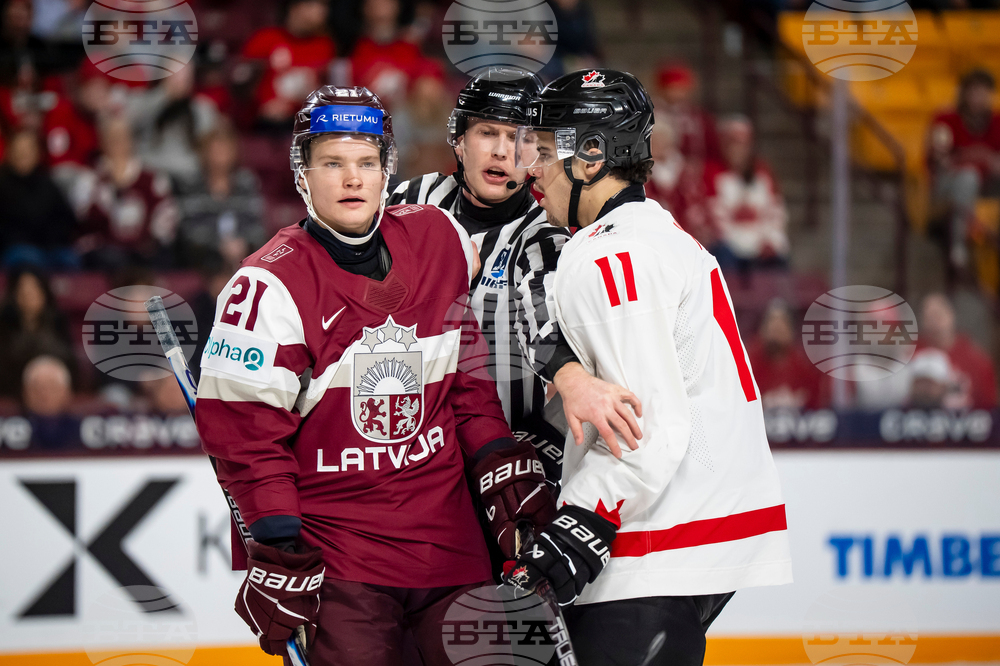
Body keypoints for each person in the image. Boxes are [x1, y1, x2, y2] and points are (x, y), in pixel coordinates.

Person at [194, 85, 554, 665]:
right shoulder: (266, 286)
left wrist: (496, 456)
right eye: (332, 163)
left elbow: (466, 378)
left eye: (366, 162)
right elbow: (249, 442)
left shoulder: (440, 240)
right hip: (343, 561)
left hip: (452, 548)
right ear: (302, 176)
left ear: (388, 170)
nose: (352, 179)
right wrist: (278, 542)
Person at [505, 69, 793, 666]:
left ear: (590, 155)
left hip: (656, 540)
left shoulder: (607, 252)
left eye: (542, 147)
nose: (530, 168)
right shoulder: (655, 233)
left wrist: (585, 517)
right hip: (693, 526)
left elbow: (648, 420)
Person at [387, 67, 645, 488]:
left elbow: (540, 317)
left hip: (496, 452)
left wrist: (570, 377)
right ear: (459, 140)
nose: (502, 152)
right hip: (398, 445)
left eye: (521, 138)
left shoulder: (544, 233)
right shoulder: (407, 201)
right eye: (488, 133)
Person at [928, 69, 1000, 271]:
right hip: (948, 183)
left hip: (988, 184)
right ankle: (958, 246)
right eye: (974, 91)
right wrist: (973, 156)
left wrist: (988, 159)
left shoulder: (997, 122)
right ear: (964, 93)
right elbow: (941, 161)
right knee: (968, 177)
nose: (979, 97)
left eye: (984, 92)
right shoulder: (945, 119)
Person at [703, 115, 789, 270]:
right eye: (733, 144)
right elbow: (714, 215)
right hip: (730, 246)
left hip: (760, 242)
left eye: (742, 145)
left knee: (779, 262)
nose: (738, 150)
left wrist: (770, 240)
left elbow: (775, 211)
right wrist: (735, 243)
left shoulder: (763, 171)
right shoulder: (712, 173)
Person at [916, 293, 997, 409]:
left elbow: (989, 405)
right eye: (928, 317)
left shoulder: (975, 358)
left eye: (938, 315)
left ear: (951, 315)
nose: (934, 323)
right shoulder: (913, 354)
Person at [747, 299, 828, 410]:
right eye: (772, 323)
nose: (776, 328)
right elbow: (743, 397)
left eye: (782, 324)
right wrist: (765, 400)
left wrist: (797, 400)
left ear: (791, 330)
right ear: (762, 329)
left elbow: (815, 399)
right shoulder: (749, 359)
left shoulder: (803, 361)